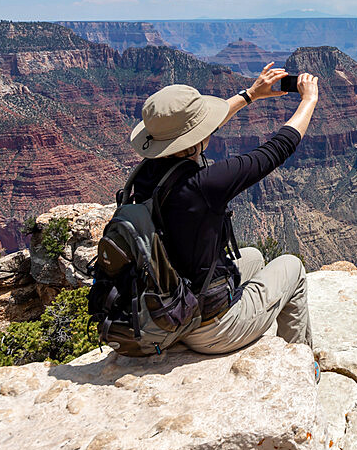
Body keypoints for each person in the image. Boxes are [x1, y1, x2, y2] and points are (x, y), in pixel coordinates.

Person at [127, 63, 319, 359]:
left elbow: (196, 131)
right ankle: (301, 361)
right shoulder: (204, 184)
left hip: (170, 306)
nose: (211, 129)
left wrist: (251, 94)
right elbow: (275, 150)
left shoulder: (144, 176)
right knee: (292, 266)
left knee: (253, 256)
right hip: (211, 329)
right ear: (193, 138)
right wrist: (309, 101)